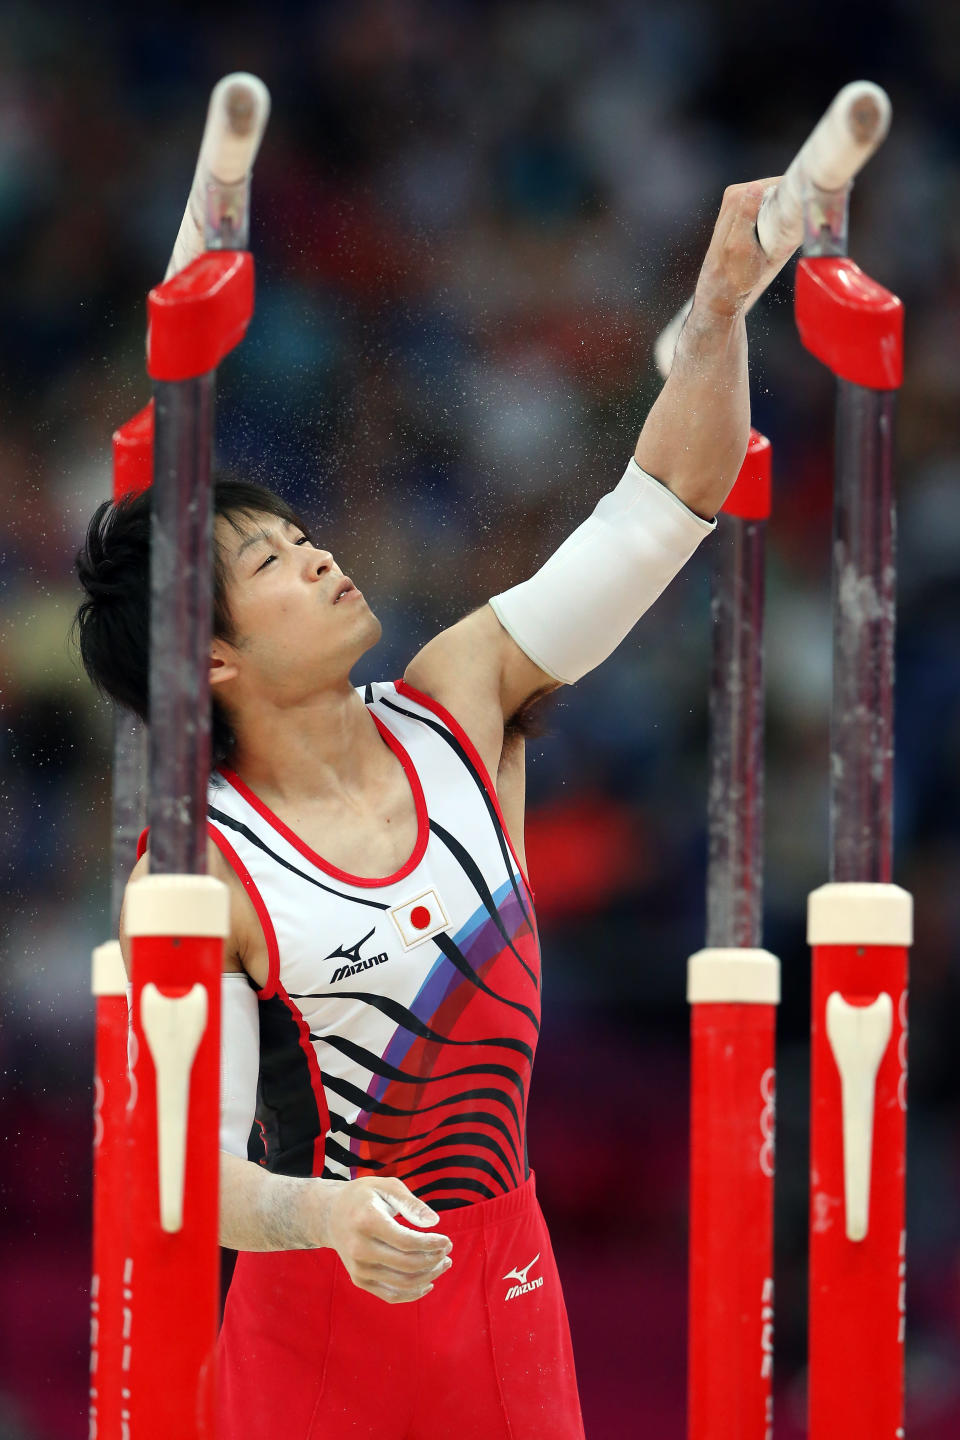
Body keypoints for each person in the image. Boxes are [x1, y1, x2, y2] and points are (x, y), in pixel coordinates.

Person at [75, 178, 785, 1440]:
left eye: (303, 535)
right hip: (315, 1324)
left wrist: (722, 305)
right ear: (213, 658)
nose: (319, 556)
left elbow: (657, 515)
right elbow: (183, 1175)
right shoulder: (197, 871)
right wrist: (320, 1215)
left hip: (509, 1295)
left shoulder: (461, 697)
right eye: (270, 562)